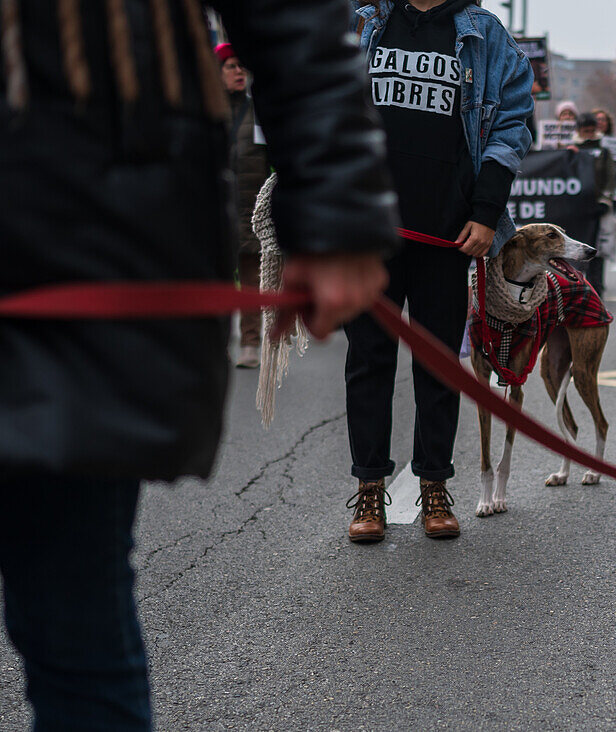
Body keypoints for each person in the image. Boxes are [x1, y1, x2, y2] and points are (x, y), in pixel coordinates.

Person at [0, 3, 398, 730]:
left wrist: (334, 203)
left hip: (80, 186)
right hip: (101, 185)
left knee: (71, 614)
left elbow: (296, 20)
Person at [346, 0, 533, 542]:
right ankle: (368, 491)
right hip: (370, 229)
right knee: (368, 361)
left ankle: (433, 485)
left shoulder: (484, 33)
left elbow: (511, 125)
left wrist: (484, 212)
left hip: (447, 234)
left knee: (437, 364)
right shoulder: (364, 23)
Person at [216, 42, 270, 369]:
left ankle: (250, 344)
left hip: (252, 210)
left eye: (241, 67)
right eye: (231, 66)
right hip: (218, 212)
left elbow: (273, 160)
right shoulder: (209, 112)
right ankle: (219, 345)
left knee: (250, 282)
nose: (238, 72)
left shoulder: (259, 112)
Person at [569, 112, 616, 294]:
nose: (589, 134)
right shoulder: (571, 148)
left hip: (597, 208)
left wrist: (605, 200)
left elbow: (611, 177)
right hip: (576, 209)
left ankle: (596, 292)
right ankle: (574, 291)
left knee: (597, 252)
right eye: (585, 130)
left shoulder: (604, 150)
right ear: (579, 130)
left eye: (591, 130)